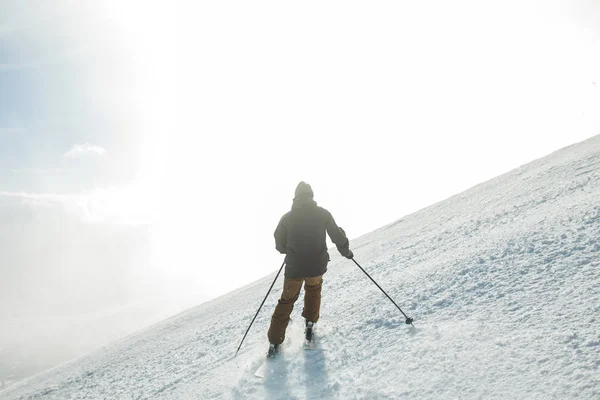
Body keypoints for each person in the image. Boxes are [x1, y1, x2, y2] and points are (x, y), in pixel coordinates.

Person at [267, 181, 353, 356]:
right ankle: (310, 324)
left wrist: (288, 250)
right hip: (316, 264)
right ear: (311, 196)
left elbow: (279, 243)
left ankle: (275, 343)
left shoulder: (287, 218)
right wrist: (346, 252)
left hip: (294, 267)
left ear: (295, 197)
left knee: (287, 301)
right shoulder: (323, 214)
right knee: (313, 290)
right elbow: (336, 235)